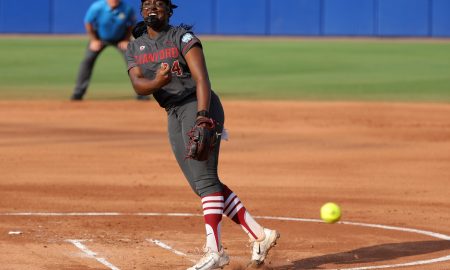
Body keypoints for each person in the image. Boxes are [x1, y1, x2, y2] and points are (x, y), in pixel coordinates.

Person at [126, 1, 280, 269]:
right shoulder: (135, 46)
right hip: (173, 113)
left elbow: (202, 80)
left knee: (206, 180)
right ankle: (259, 234)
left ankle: (215, 251)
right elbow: (139, 85)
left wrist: (202, 116)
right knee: (202, 185)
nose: (152, 9)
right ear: (141, 11)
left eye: (158, 4)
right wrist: (158, 83)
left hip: (198, 106)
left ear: (169, 10)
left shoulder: (182, 38)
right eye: (147, 4)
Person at [71, 0, 149, 101]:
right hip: (100, 37)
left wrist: (126, 39)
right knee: (87, 60)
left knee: (134, 62)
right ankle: (78, 92)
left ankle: (142, 92)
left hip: (120, 38)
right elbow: (88, 22)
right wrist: (94, 40)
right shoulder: (97, 7)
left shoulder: (127, 8)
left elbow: (132, 24)